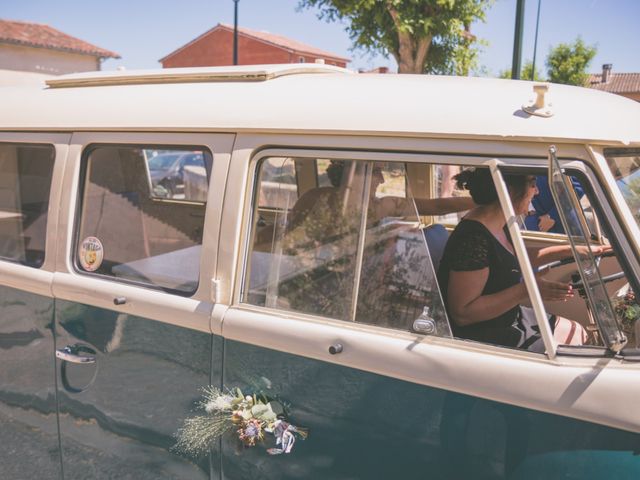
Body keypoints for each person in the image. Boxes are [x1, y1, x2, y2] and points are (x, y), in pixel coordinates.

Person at [437, 168, 598, 352]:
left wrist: (572, 251)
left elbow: (512, 258)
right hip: (484, 332)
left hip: (508, 316)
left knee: (579, 332)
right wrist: (527, 290)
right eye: (532, 184)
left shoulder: (500, 224)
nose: (536, 191)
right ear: (509, 191)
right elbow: (463, 313)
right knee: (571, 347)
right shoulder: (473, 239)